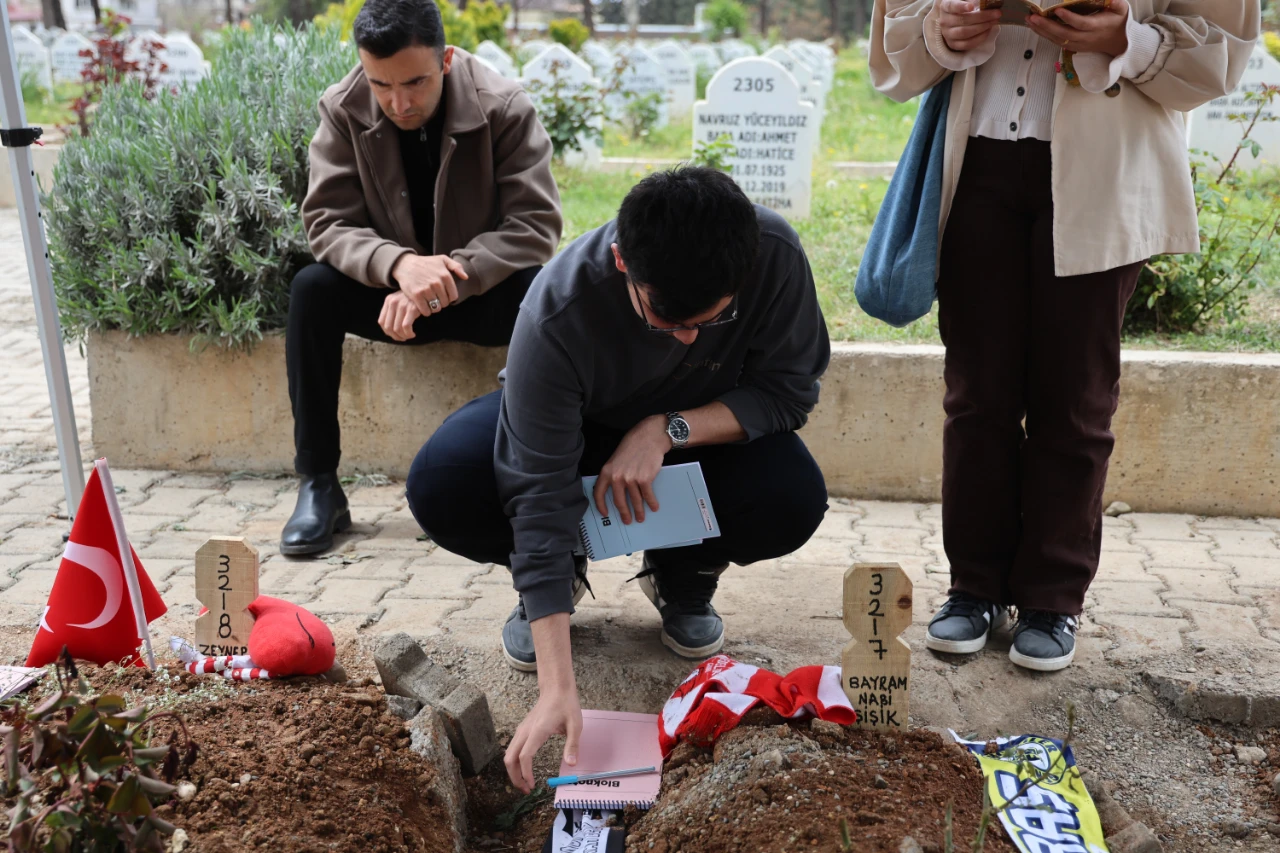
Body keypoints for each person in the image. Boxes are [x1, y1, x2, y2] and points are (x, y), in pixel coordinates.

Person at [406, 167, 832, 792]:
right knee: (445, 480)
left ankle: (682, 576)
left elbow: (787, 395)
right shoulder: (558, 310)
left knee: (792, 494)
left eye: (709, 323)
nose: (687, 338)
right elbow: (537, 488)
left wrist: (668, 430)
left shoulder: (775, 256)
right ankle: (554, 584)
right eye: (665, 323)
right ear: (621, 262)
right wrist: (558, 688)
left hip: (693, 440)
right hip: (572, 439)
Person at [870, 0, 1257, 670]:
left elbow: (1219, 54)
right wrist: (942, 28)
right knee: (977, 393)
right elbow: (899, 38)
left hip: (1106, 167)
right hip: (979, 159)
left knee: (1074, 398)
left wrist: (1125, 38)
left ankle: (1053, 596)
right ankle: (974, 588)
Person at [281, 0, 562, 555]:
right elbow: (326, 222)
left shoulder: (503, 106)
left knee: (545, 295)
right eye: (381, 84)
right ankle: (319, 484)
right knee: (311, 290)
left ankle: (538, 479)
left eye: (415, 82)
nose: (398, 102)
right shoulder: (342, 106)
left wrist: (447, 280)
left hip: (481, 294)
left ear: (447, 59)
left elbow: (535, 225)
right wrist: (400, 267)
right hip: (392, 299)